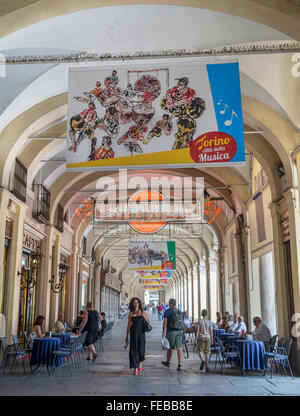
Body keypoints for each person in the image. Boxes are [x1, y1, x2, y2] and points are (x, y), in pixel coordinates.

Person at [125, 297, 150, 375]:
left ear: (139, 303)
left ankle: (140, 362)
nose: (136, 304)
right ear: (132, 304)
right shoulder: (131, 314)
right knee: (133, 350)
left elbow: (148, 321)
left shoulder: (143, 312)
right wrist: (126, 336)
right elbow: (129, 325)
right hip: (133, 334)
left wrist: (144, 316)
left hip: (141, 334)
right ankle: (135, 368)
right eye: (134, 302)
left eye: (137, 302)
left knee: (141, 350)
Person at [162, 298, 185, 371]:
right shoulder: (179, 311)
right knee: (179, 347)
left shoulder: (168, 311)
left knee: (170, 348)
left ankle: (168, 362)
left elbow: (165, 322)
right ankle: (180, 364)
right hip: (180, 331)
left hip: (171, 331)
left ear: (170, 304)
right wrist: (183, 332)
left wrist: (163, 332)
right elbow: (183, 322)